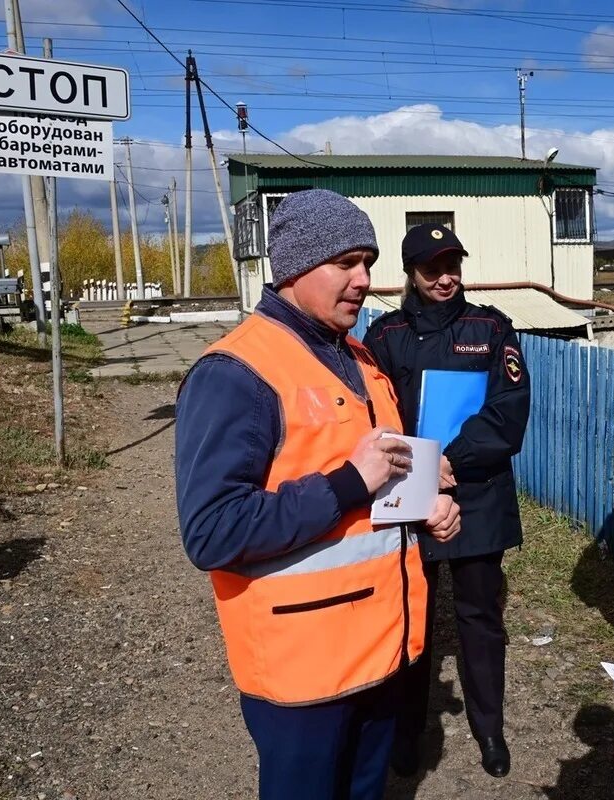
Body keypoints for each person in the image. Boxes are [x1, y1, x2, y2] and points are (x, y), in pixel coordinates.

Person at [174, 190, 461, 800]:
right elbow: (212, 531)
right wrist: (347, 485)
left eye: (368, 262)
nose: (364, 280)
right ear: (294, 267)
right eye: (347, 262)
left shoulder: (357, 356)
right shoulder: (235, 373)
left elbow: (373, 470)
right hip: (303, 671)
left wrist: (421, 497)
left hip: (381, 651)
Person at [363, 223, 530, 779]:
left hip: (476, 494)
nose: (446, 277)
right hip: (408, 495)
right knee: (410, 617)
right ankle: (407, 732)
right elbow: (372, 417)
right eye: (432, 268)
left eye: (453, 264)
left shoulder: (491, 327)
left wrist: (451, 459)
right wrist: (421, 470)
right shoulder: (384, 336)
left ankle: (490, 729)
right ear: (411, 273)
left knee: (480, 617)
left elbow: (509, 410)